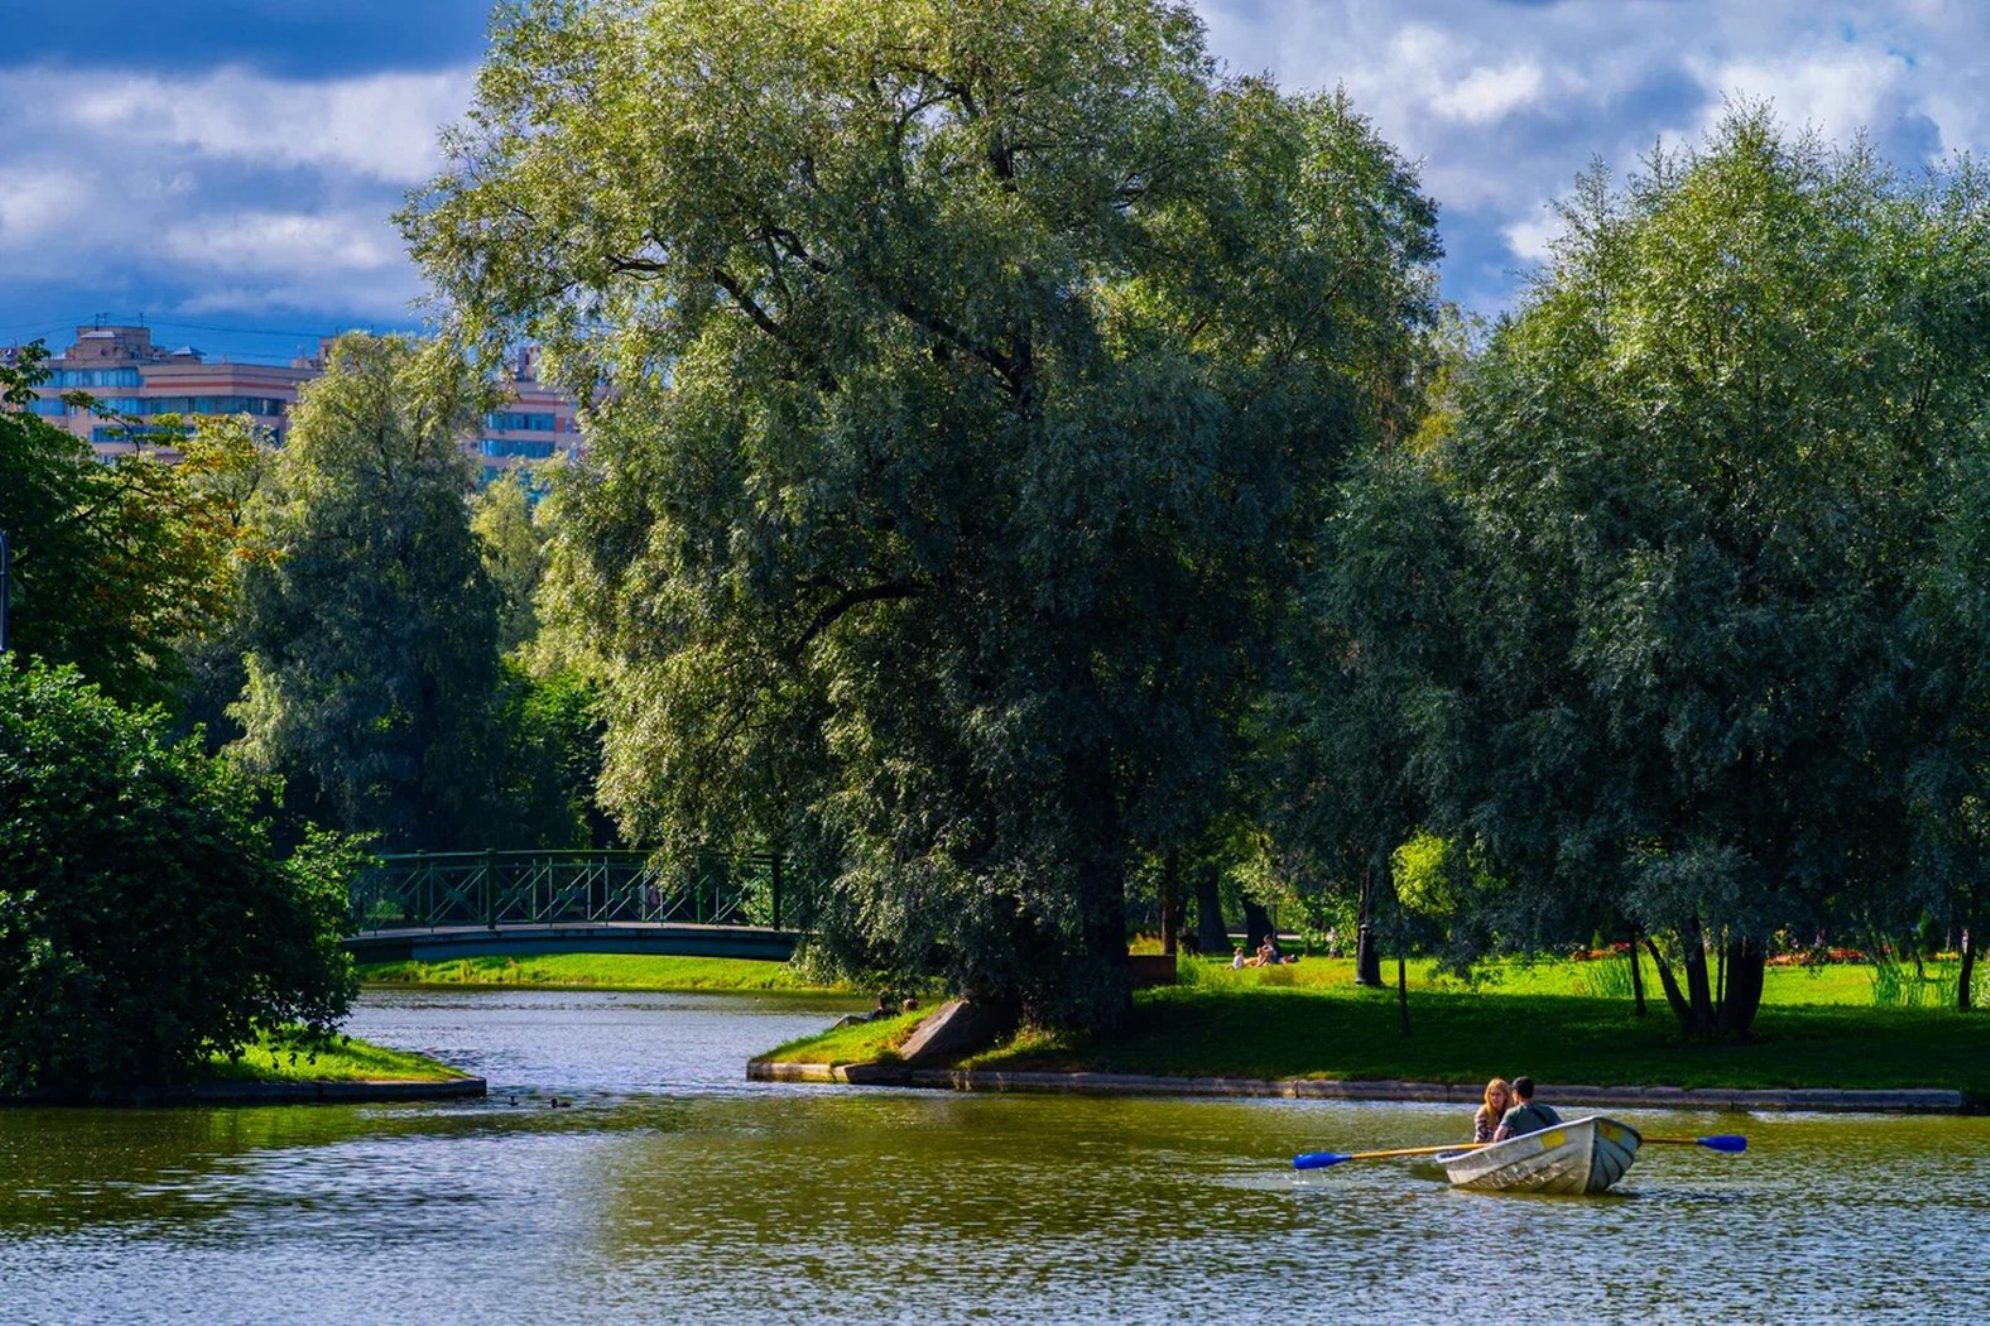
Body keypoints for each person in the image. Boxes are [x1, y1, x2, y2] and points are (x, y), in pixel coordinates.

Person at [1494, 1075, 1562, 1141]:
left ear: (1516, 1093)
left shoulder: (1512, 1112)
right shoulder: (1547, 1110)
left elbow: (1498, 1138)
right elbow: (1562, 1129)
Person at [1472, 1078, 1511, 1144]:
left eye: (1498, 1094)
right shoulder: (1483, 1112)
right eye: (1492, 1094)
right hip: (1488, 1147)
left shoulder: (1511, 1112)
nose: (1494, 1098)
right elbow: (1479, 1137)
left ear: (1505, 1096)